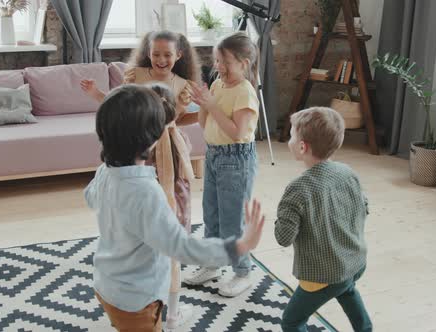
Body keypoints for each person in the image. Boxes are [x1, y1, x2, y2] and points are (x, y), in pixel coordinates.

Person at [85, 84, 265, 332]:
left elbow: (91, 199)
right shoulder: (147, 192)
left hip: (105, 283)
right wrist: (238, 247)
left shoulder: (104, 172)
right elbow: (183, 248)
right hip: (137, 300)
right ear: (154, 138)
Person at [275, 107, 372, 332]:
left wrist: (280, 218)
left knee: (291, 321)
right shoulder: (348, 172)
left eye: (291, 135)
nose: (289, 139)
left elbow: (283, 238)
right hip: (354, 261)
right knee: (346, 289)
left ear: (302, 147)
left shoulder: (298, 189)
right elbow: (364, 208)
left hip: (320, 276)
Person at [185, 32, 260, 298]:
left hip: (236, 159)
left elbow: (237, 133)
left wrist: (212, 105)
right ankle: (213, 263)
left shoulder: (245, 92)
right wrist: (203, 102)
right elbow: (204, 124)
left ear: (244, 62)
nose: (219, 67)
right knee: (212, 215)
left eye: (225, 62)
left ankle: (243, 272)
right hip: (215, 156)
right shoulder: (218, 85)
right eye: (217, 60)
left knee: (233, 221)